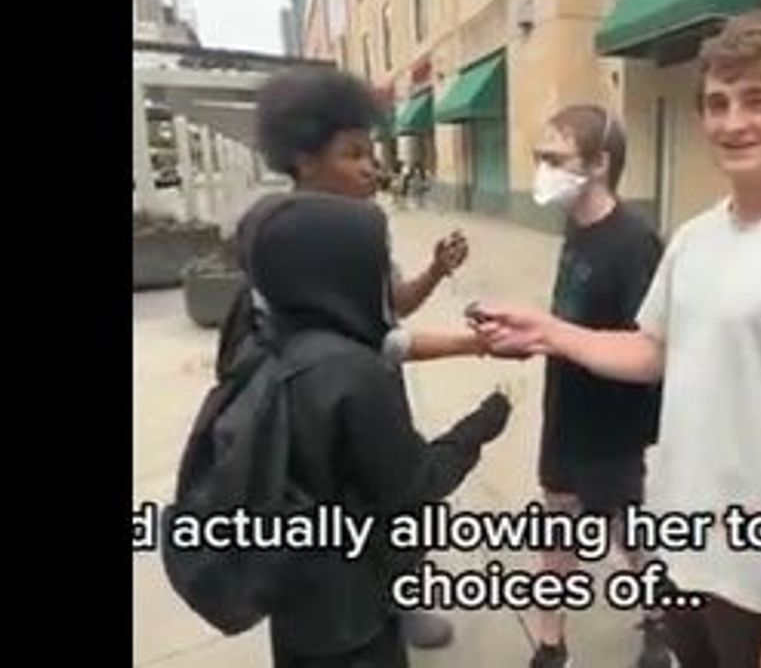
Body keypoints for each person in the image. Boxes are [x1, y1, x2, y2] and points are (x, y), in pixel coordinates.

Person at [473, 11, 761, 668]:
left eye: (758, 100)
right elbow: (652, 351)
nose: (731, 122)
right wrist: (550, 332)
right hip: (681, 558)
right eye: (717, 102)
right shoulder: (696, 239)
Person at [216, 66, 479, 650]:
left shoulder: (362, 232)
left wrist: (436, 271)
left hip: (369, 395)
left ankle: (402, 593)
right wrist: (473, 347)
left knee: (396, 503)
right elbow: (375, 345)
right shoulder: (280, 244)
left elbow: (390, 310)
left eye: (372, 152)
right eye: (353, 153)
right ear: (305, 159)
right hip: (327, 416)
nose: (371, 168)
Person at [236, 191, 512, 668]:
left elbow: (392, 332)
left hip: (294, 599)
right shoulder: (352, 372)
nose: (385, 278)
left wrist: (469, 339)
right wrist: (485, 422)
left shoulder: (266, 340)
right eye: (375, 263)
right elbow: (416, 485)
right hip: (354, 613)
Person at [520, 105, 669, 668]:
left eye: (554, 158)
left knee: (626, 529)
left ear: (600, 163)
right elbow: (571, 315)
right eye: (539, 157)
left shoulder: (635, 243)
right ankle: (551, 642)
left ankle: (659, 618)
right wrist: (536, 337)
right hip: (565, 409)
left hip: (613, 423)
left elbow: (646, 348)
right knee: (557, 522)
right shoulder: (574, 227)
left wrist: (556, 335)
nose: (542, 169)